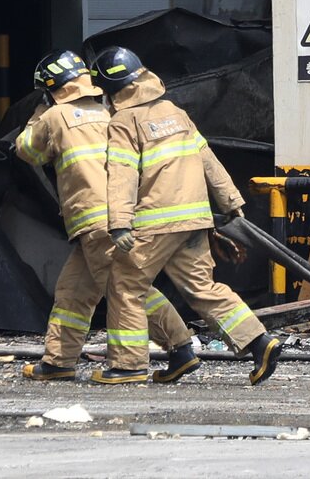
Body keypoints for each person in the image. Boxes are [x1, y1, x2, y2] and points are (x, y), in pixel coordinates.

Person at [90, 46, 281, 385]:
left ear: (111, 90)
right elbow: (206, 157)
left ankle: (128, 365)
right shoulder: (174, 112)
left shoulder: (124, 121)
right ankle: (258, 342)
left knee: (125, 285)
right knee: (203, 288)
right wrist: (229, 199)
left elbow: (122, 173)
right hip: (194, 220)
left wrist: (119, 223)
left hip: (156, 221)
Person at [14, 50, 200, 383]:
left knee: (127, 288)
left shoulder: (55, 118)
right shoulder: (108, 113)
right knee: (73, 291)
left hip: (94, 218)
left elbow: (27, 150)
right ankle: (59, 362)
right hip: (114, 218)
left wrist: (40, 111)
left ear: (50, 89)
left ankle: (177, 347)